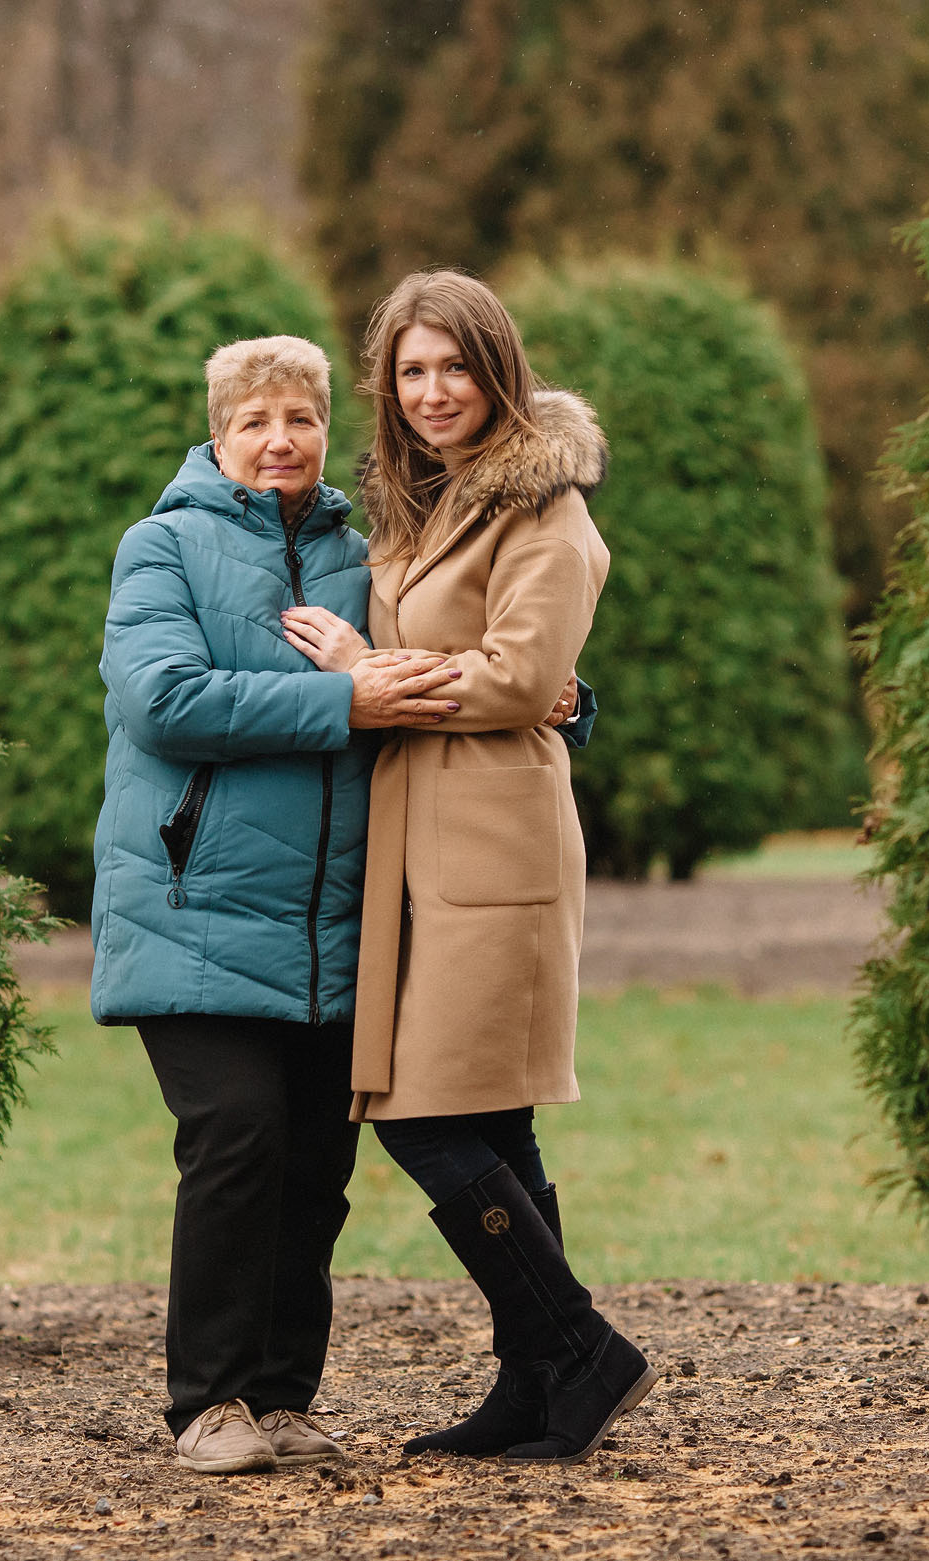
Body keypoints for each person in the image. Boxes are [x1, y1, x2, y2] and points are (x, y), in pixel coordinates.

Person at [90, 335, 591, 1475]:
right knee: (239, 1139)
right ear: (217, 432)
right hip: (194, 902)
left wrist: (561, 695)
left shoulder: (370, 553)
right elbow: (165, 702)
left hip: (340, 923)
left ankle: (282, 1396)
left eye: (301, 420)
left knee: (316, 1160)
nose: (280, 441)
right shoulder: (160, 547)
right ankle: (207, 1404)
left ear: (328, 429)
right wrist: (346, 699)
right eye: (255, 420)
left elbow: (454, 664)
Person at [282, 270, 654, 1465]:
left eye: (455, 366)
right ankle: (538, 1380)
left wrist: (366, 668)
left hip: (492, 843)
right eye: (411, 371)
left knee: (423, 1113)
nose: (433, 391)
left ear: (501, 371)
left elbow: (514, 675)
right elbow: (506, 672)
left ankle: (582, 1343)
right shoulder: (423, 506)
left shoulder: (546, 511)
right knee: (495, 1118)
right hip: (419, 842)